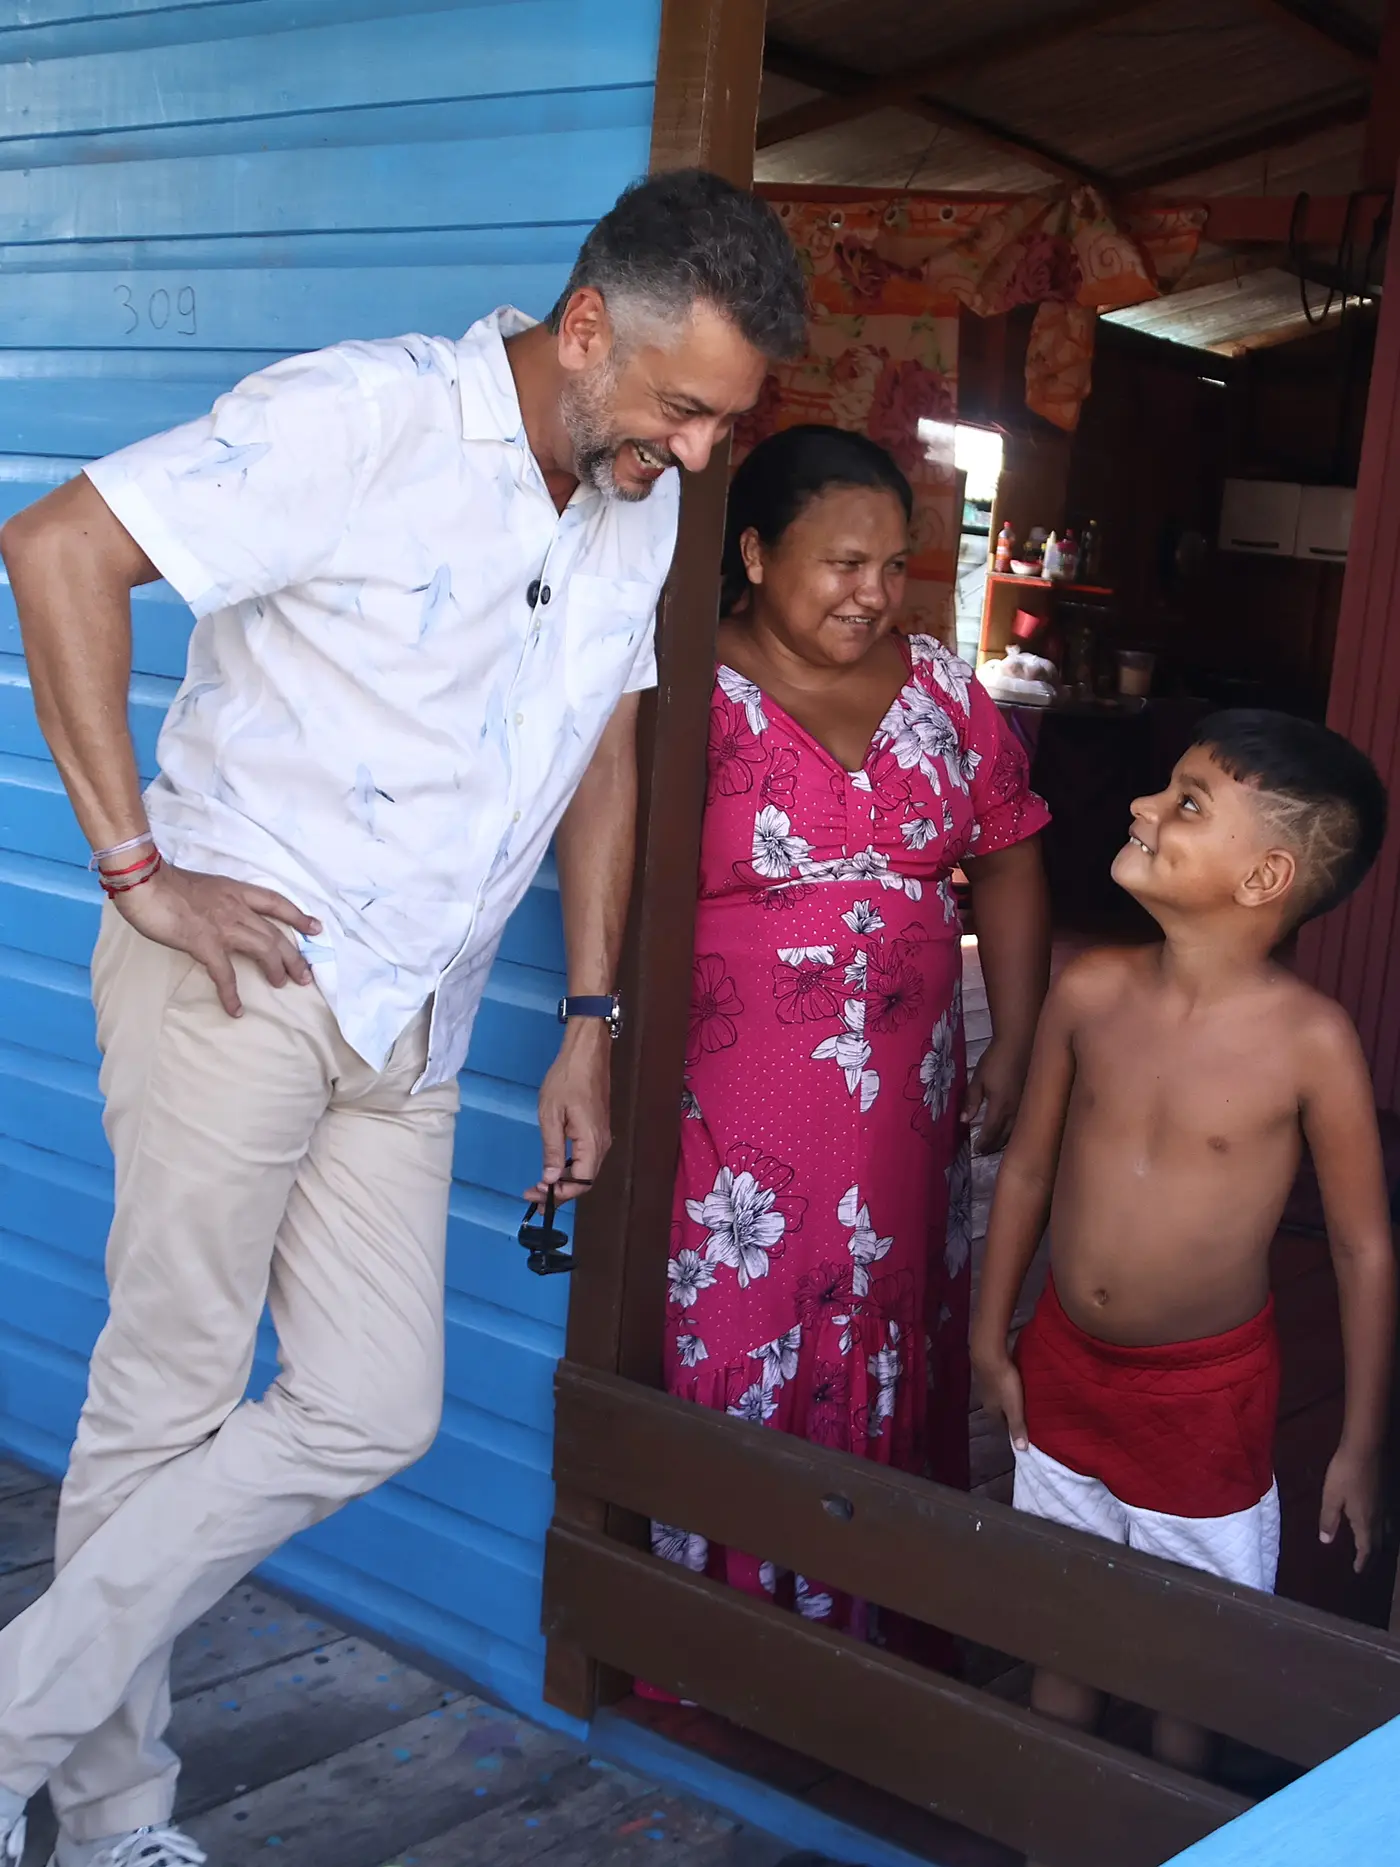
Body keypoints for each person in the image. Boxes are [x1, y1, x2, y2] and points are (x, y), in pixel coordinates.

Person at [0, 170, 806, 1867]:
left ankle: (18, 1714)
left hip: (416, 1018)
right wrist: (138, 870)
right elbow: (59, 544)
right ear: (583, 329)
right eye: (681, 407)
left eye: (724, 422)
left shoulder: (635, 497)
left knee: (375, 1402)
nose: (697, 451)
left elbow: (604, 741)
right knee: (167, 1400)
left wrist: (588, 1012)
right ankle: (109, 1817)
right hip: (244, 975)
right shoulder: (363, 417)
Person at [653, 425, 1050, 1645]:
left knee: (885, 1313)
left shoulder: (938, 688)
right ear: (754, 553)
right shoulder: (682, 684)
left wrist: (1014, 1036)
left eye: (890, 565)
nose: (870, 593)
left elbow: (1009, 852)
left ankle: (865, 1623)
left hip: (904, 1102)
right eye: (840, 562)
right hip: (732, 1099)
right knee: (737, 1319)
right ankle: (726, 1632)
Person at [972, 710, 1395, 1780]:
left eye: (1187, 803)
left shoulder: (1311, 1044)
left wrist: (1355, 1444)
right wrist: (991, 1334)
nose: (1142, 805)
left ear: (1264, 877)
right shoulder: (1089, 990)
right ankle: (1050, 1832)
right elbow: (1026, 1170)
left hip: (1204, 1401)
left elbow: (1361, 1250)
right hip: (1062, 1364)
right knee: (1062, 1632)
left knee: (1186, 1668)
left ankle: (1166, 1824)